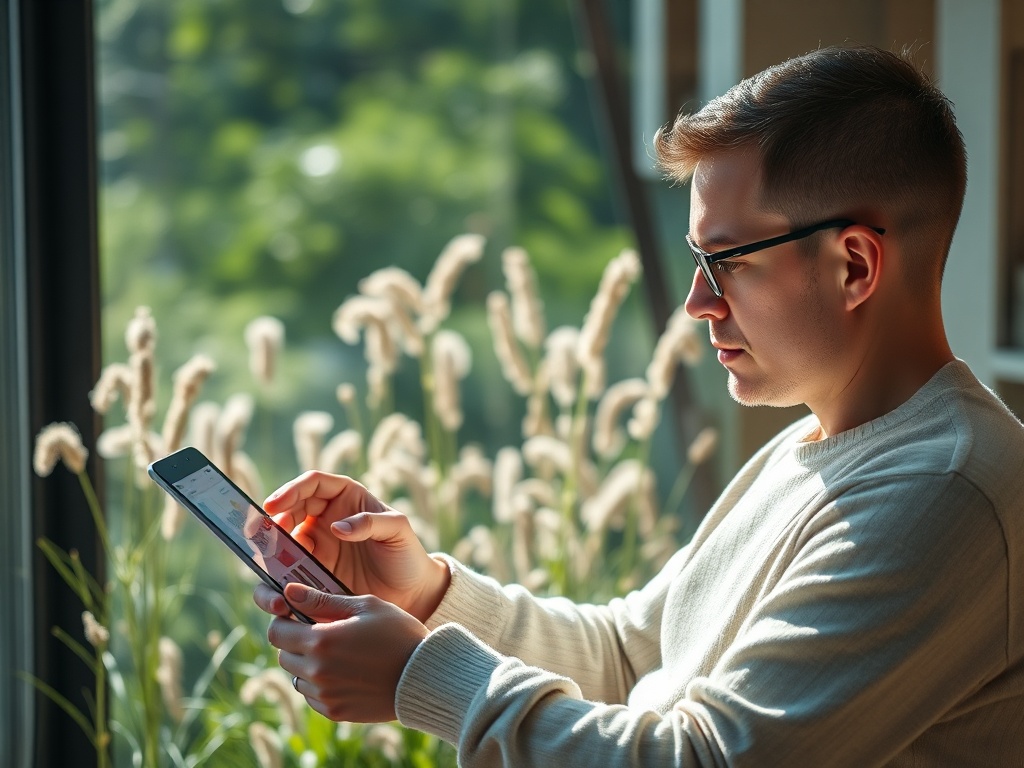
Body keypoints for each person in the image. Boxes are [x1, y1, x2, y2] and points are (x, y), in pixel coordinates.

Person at [254, 45, 1024, 766]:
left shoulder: (945, 491)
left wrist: (421, 676)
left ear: (854, 265)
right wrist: (426, 597)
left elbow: (701, 757)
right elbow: (633, 658)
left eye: (725, 262)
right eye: (697, 262)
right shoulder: (816, 446)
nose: (697, 302)